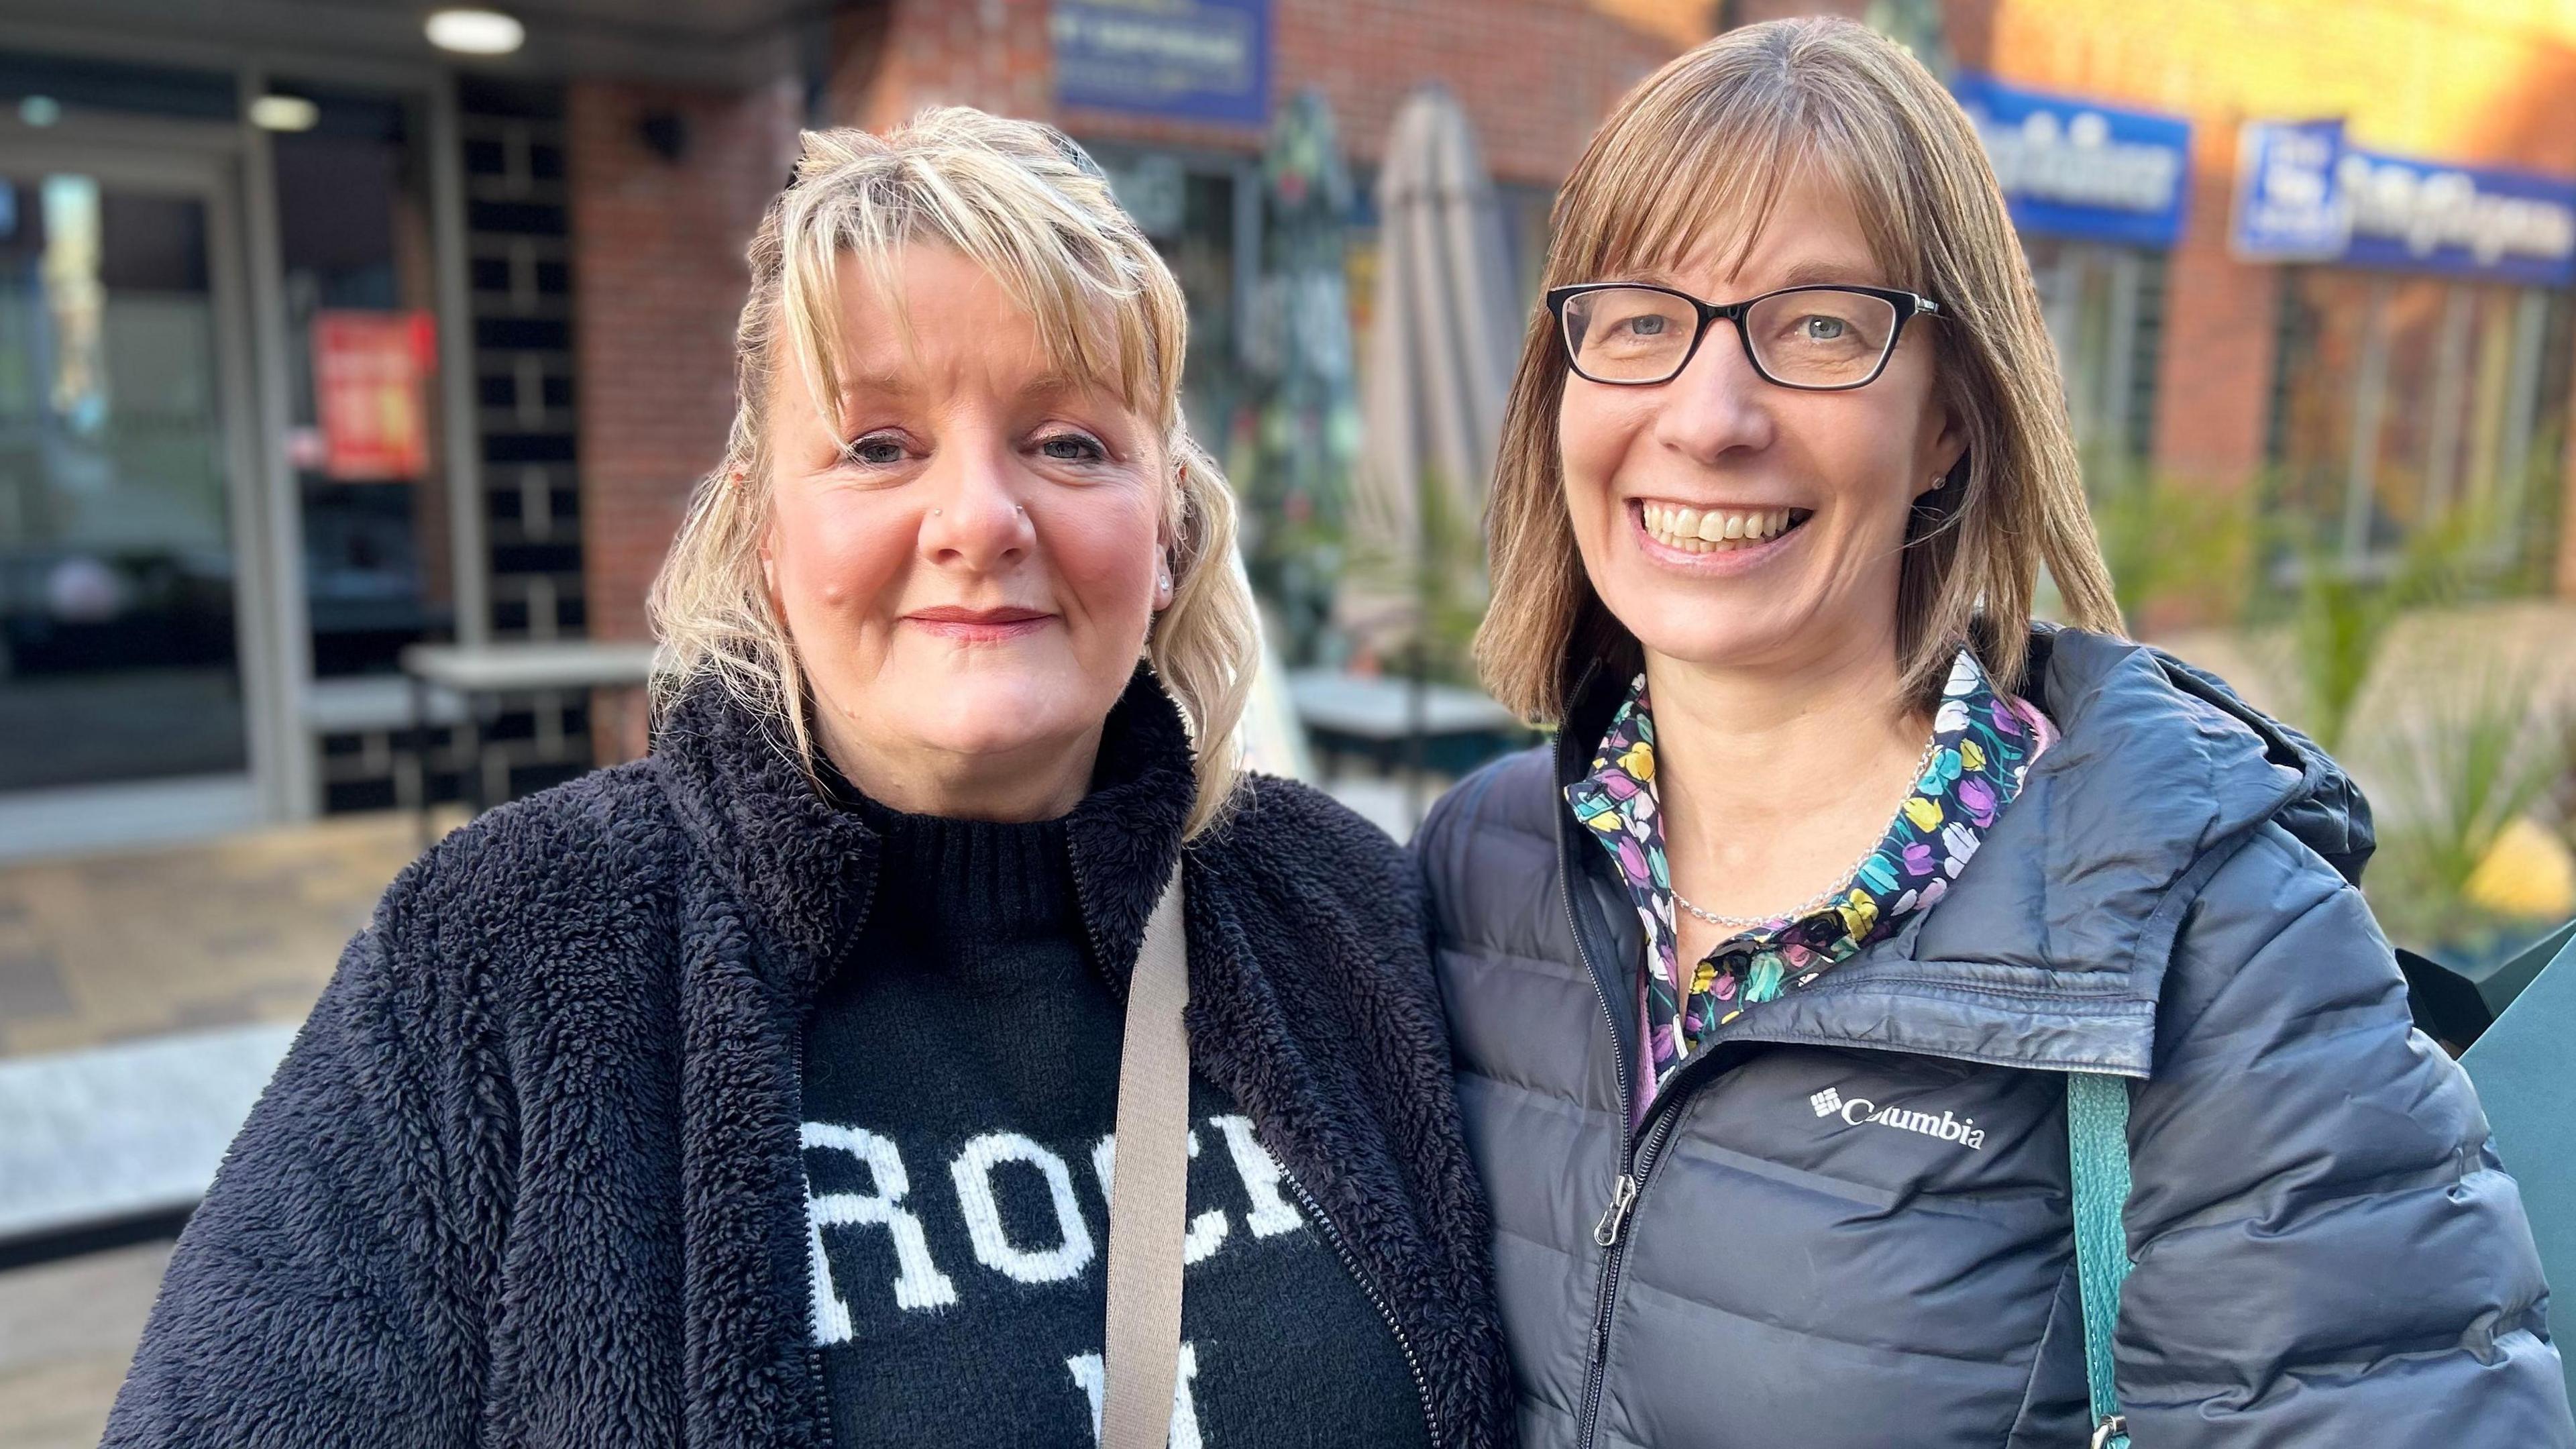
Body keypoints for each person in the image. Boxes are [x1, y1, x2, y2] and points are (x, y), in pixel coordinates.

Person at [107, 109, 1511, 1448]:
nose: (978, 517)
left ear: (1167, 536)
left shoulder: (1338, 911)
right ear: (766, 534)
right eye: (879, 446)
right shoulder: (502, 960)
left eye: (1070, 442)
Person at [1417, 18, 2573, 1448]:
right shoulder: (1479, 872)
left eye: (1821, 325)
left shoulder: (2209, 943)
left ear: (1951, 423)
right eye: (1641, 321)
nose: (1708, 416)